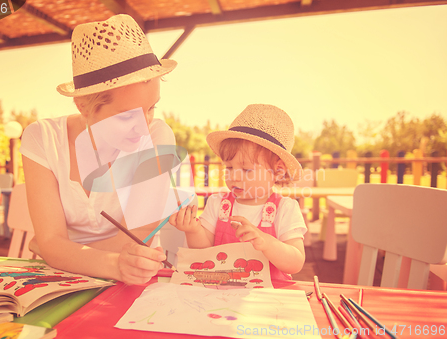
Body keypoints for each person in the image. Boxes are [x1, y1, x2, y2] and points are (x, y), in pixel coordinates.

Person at [20, 14, 178, 285]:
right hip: (61, 282)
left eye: (151, 108)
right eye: (127, 116)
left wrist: (56, 252)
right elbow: (50, 243)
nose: (143, 129)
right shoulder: (42, 138)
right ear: (83, 106)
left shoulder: (158, 137)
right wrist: (53, 249)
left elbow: (138, 234)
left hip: (132, 276)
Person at [169, 104, 307, 280]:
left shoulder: (285, 209)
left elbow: (295, 263)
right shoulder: (218, 204)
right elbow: (203, 251)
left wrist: (267, 243)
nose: (234, 176)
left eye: (247, 170)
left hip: (271, 297)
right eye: (229, 167)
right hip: (221, 290)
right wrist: (193, 230)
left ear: (278, 171)